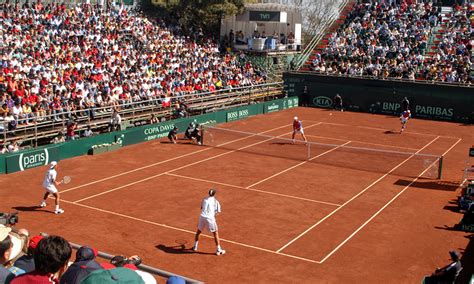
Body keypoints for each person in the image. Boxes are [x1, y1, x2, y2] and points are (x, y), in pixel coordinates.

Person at [192, 189, 226, 256]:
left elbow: (201, 207)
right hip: (210, 218)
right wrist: (213, 215)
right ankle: (218, 249)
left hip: (202, 217)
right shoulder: (215, 201)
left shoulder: (204, 199)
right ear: (214, 194)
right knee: (215, 233)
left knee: (198, 232)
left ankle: (195, 246)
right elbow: (218, 211)